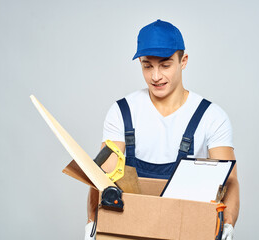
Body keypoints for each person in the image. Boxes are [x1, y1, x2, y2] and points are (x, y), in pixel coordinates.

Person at [85, 19, 239, 240]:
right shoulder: (122, 112)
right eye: (147, 66)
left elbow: (230, 182)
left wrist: (228, 225)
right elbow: (102, 177)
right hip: (129, 230)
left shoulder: (211, 117)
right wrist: (92, 223)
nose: (155, 76)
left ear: (183, 61)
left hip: (187, 231)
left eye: (165, 65)